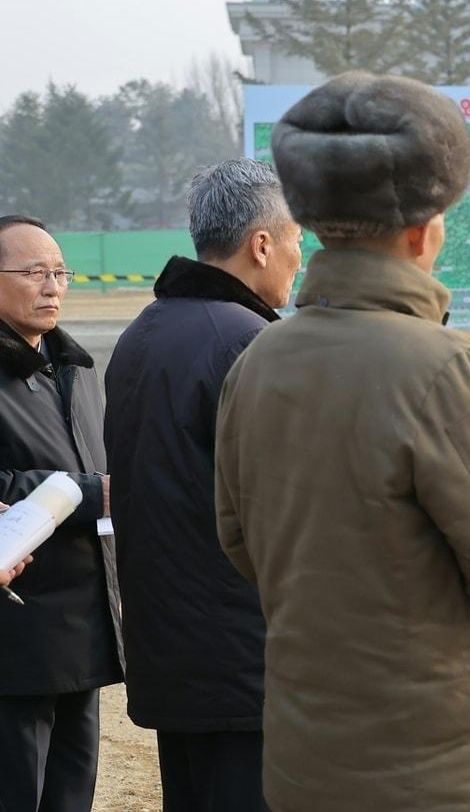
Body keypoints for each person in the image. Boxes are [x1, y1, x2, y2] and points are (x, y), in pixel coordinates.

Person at [214, 72, 470, 812]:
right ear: (422, 231)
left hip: (306, 754)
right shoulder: (443, 369)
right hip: (441, 768)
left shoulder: (256, 361)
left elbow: (241, 543)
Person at [104, 159, 302, 811]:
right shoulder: (247, 343)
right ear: (262, 243)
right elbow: (283, 509)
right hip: (245, 658)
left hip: (170, 651)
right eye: (296, 239)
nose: (299, 257)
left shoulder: (142, 333)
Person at [0, 215, 123, 812]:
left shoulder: (77, 368)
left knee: (74, 785)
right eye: (32, 272)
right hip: (18, 626)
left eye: (59, 272)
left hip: (84, 619)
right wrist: (80, 493)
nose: (52, 286)